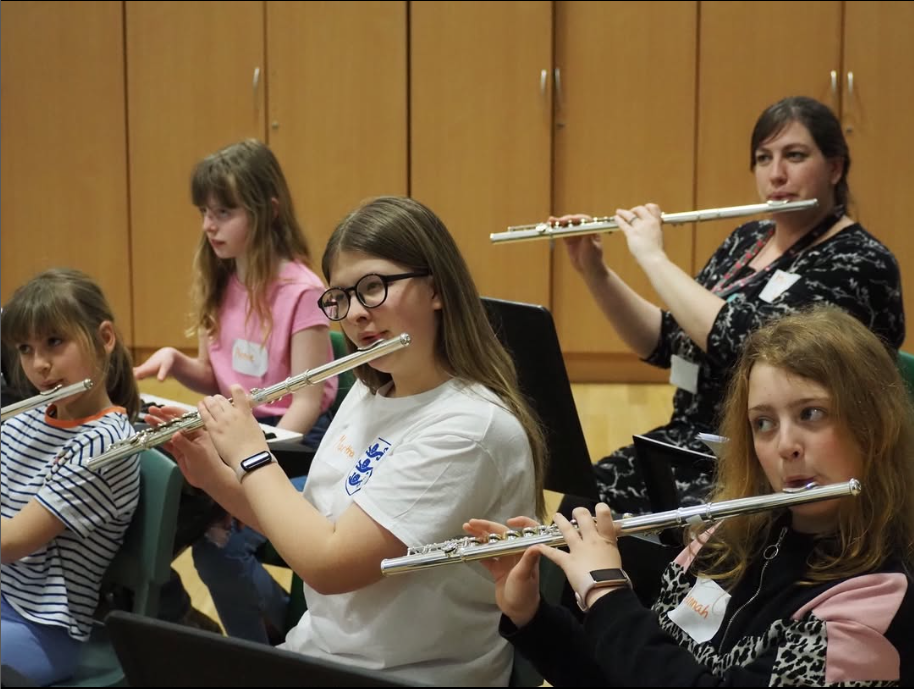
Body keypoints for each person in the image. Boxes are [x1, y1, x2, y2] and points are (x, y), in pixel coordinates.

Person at [148, 195, 547, 685]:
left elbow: (329, 565)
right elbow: (310, 528)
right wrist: (211, 470)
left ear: (437, 289)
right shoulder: (369, 389)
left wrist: (252, 456)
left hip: (409, 674)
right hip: (321, 651)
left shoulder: (469, 429)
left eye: (374, 287)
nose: (356, 313)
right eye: (342, 297)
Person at [468, 305, 914, 686]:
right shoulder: (726, 538)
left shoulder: (874, 601)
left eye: (811, 414)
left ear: (873, 426)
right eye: (764, 422)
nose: (784, 445)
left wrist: (605, 593)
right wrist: (533, 617)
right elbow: (626, 672)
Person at [553, 96, 905, 515]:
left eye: (794, 156)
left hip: (767, 459)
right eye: (763, 158)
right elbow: (670, 341)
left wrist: (653, 258)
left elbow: (754, 347)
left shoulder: (861, 261)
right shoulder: (745, 240)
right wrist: (596, 272)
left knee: (637, 537)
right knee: (582, 504)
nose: (776, 174)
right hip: (689, 442)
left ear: (834, 168)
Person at [133, 139, 337, 643]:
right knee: (160, 485)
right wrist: (180, 364)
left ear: (267, 211)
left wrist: (252, 460)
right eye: (205, 212)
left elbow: (310, 399)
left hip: (295, 441)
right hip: (238, 430)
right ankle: (163, 612)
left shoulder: (302, 289)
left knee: (215, 540)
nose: (209, 225)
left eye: (224, 212)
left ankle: (280, 632)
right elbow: (218, 376)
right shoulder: (221, 279)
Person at [0, 268, 142, 686]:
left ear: (105, 338)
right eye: (25, 349)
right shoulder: (25, 420)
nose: (39, 365)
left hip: (40, 629)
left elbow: (10, 543)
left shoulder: (107, 445)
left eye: (54, 343)